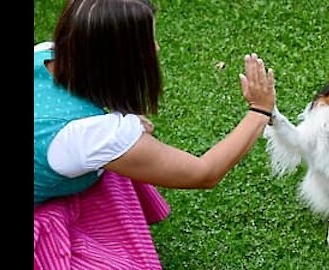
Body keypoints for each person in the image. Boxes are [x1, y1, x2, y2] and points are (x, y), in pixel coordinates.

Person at [34, 0, 275, 268]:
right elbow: (204, 172)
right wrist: (260, 110)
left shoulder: (45, 53)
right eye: (147, 41)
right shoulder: (93, 134)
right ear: (117, 58)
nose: (157, 48)